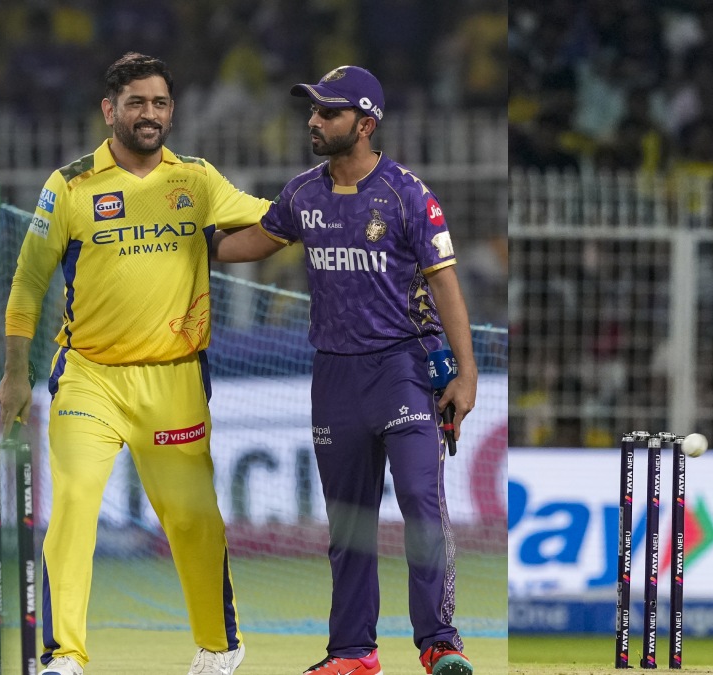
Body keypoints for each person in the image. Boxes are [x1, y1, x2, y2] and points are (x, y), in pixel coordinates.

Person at [0, 52, 270, 675]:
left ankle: (219, 647)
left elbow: (264, 219)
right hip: (88, 376)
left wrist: (323, 208)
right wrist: (15, 373)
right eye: (137, 102)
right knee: (72, 506)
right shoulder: (69, 185)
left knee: (193, 519)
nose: (150, 114)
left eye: (160, 103)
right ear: (109, 109)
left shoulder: (197, 179)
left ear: (172, 112)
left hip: (174, 379)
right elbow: (27, 284)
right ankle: (64, 655)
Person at [211, 66, 478, 675]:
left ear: (364, 123)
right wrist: (192, 246)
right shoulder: (303, 193)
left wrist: (466, 374)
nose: (314, 120)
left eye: (328, 112)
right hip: (334, 375)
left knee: (421, 502)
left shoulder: (408, 194)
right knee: (349, 523)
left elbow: (446, 285)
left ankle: (440, 643)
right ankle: (354, 653)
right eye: (313, 110)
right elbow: (260, 239)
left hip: (405, 366)